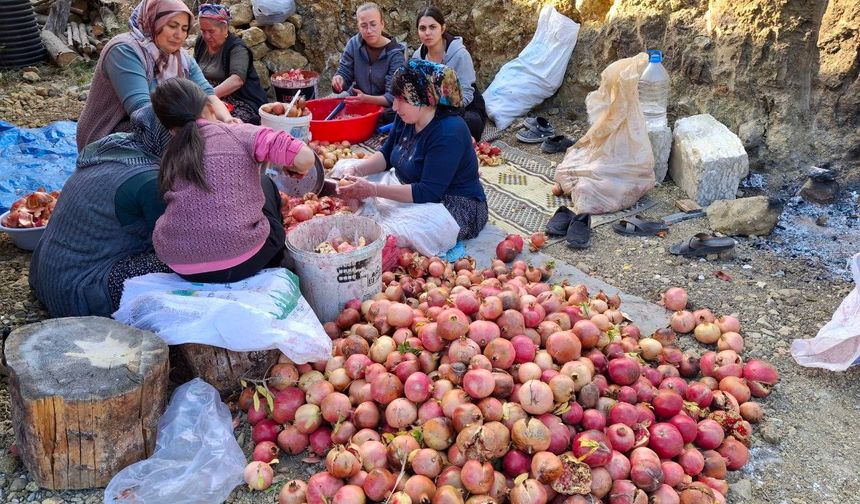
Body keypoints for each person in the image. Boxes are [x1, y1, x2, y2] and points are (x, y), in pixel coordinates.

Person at [149, 78, 315, 283]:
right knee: (266, 184)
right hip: (242, 261)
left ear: (170, 129)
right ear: (211, 107)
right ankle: (276, 262)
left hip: (182, 265)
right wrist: (292, 166)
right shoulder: (239, 133)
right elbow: (305, 158)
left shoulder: (170, 154)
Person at [30, 106, 173, 317]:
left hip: (48, 277)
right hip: (78, 292)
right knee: (183, 262)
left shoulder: (117, 145)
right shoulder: (149, 180)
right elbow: (171, 244)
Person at [337, 60, 488, 241]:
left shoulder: (449, 131)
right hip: (408, 184)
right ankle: (371, 212)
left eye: (402, 100)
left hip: (451, 205)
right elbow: (386, 155)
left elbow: (428, 192)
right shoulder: (407, 117)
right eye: (396, 98)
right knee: (342, 167)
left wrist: (373, 190)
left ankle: (373, 217)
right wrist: (357, 170)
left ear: (425, 100)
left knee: (395, 233)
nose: (394, 107)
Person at [76, 0, 237, 152]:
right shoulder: (124, 51)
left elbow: (207, 94)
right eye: (172, 25)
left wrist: (228, 122)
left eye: (184, 29)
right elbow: (143, 112)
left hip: (158, 127)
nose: (179, 35)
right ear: (154, 21)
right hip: (109, 135)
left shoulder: (181, 58)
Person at [412, 6, 487, 141]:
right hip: (432, 107)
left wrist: (441, 112)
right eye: (422, 28)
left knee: (470, 123)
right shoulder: (417, 58)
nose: (427, 33)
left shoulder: (459, 54)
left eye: (433, 27)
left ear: (443, 28)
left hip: (464, 107)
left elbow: (467, 94)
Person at [194, 4, 268, 125]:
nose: (207, 36)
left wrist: (207, 96)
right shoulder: (201, 42)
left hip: (242, 102)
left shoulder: (237, 48)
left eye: (211, 31)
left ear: (225, 29)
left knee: (222, 124)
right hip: (213, 98)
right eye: (203, 31)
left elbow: (236, 80)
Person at [331, 2, 405, 123]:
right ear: (358, 27)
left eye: (373, 24)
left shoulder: (395, 54)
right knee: (333, 106)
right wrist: (338, 80)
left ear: (382, 24)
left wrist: (367, 99)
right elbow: (344, 73)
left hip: (383, 107)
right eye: (363, 25)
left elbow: (392, 97)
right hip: (358, 101)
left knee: (394, 114)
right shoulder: (354, 44)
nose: (369, 30)